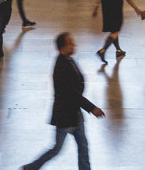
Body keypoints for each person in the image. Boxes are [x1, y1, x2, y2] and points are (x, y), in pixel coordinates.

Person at [21, 32, 104, 170]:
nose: (74, 45)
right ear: (62, 47)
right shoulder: (62, 66)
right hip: (65, 115)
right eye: (70, 43)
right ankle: (32, 167)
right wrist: (92, 108)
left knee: (83, 146)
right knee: (57, 148)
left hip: (74, 113)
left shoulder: (68, 60)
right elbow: (73, 94)